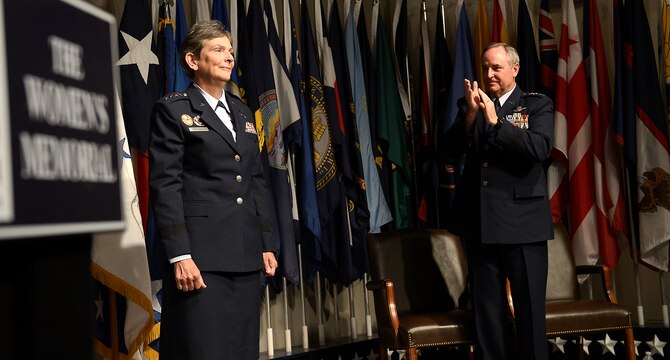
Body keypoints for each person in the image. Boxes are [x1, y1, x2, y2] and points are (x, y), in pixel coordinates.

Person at [149, 20, 278, 360]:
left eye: (231, 51)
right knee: (202, 350)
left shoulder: (243, 112)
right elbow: (166, 186)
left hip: (245, 254)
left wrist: (267, 243)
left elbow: (256, 182)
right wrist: (180, 254)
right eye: (219, 50)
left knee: (241, 349)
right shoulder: (173, 110)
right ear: (193, 61)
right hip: (200, 257)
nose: (229, 58)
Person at [443, 42, 554, 360]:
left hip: (523, 224)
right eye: (485, 67)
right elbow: (447, 151)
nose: (489, 73)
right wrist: (470, 119)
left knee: (530, 312)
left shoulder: (535, 105)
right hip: (481, 225)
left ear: (515, 69)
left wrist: (495, 123)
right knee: (487, 315)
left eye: (496, 67)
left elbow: (538, 150)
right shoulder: (473, 105)